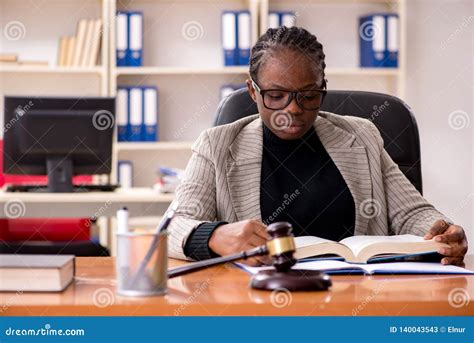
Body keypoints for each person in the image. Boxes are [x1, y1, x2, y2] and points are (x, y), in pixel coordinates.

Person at [167, 26, 468, 266]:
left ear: (323, 88)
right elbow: (171, 228)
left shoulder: (362, 136)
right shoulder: (217, 145)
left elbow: (412, 213)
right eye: (276, 95)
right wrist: (214, 236)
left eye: (308, 95)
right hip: (260, 303)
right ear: (252, 91)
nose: (293, 109)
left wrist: (443, 232)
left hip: (362, 299)